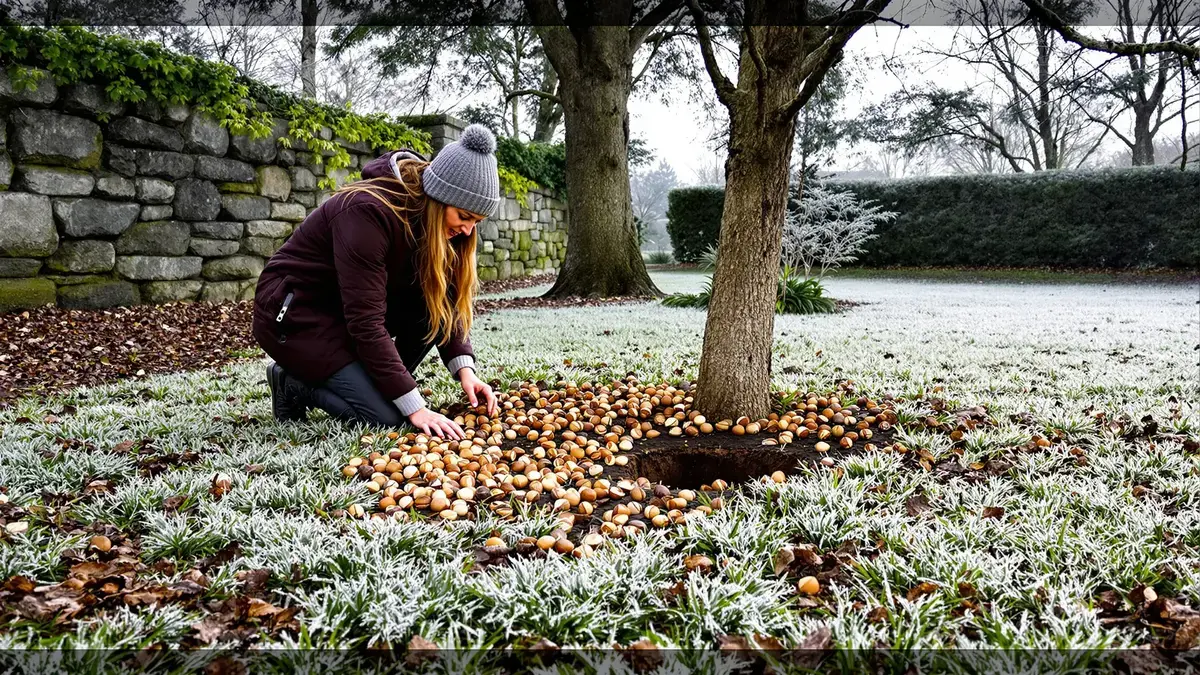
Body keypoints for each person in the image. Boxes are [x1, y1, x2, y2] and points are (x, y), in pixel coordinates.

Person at [251, 124, 501, 440]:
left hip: (345, 313)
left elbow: (443, 303)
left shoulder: (442, 227)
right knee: (388, 418)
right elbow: (366, 323)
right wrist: (415, 407)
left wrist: (466, 372)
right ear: (439, 198)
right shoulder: (366, 212)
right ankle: (290, 383)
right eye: (464, 217)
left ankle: (376, 387)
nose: (467, 230)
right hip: (298, 317)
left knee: (424, 325)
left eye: (476, 222)